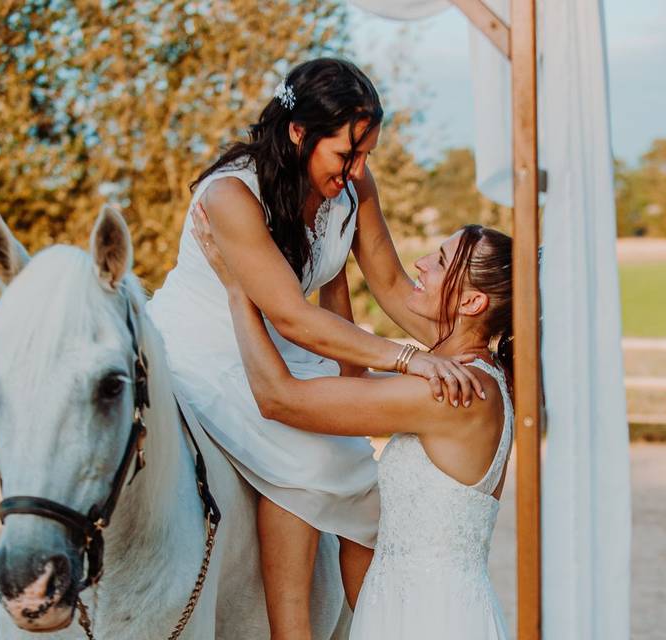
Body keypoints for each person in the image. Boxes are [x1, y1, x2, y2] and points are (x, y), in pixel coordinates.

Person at [146, 57, 485, 638]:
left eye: (366, 155)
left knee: (369, 494)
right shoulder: (231, 195)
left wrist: (476, 351)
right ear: (299, 133)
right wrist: (407, 357)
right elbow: (293, 315)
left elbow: (393, 288)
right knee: (309, 465)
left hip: (291, 352)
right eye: (347, 154)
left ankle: (372, 627)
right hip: (207, 354)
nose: (357, 169)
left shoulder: (353, 188)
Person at [192, 213, 514, 640]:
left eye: (439, 261)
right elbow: (354, 381)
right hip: (407, 608)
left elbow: (280, 399)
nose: (419, 263)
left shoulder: (453, 394)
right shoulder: (464, 376)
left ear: (472, 303)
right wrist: (334, 266)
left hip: (431, 620)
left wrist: (238, 290)